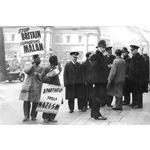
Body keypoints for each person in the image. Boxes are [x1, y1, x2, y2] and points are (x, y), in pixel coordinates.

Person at [20, 54, 43, 122]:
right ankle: (26, 115)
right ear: (33, 60)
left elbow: (42, 76)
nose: (38, 60)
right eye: (36, 59)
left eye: (39, 58)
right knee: (26, 101)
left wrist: (38, 74)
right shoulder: (30, 66)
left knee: (35, 102)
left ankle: (33, 116)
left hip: (37, 86)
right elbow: (26, 71)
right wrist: (32, 66)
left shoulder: (41, 68)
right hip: (28, 86)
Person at [40, 55, 62, 123]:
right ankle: (45, 117)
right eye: (56, 60)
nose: (57, 61)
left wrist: (58, 68)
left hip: (56, 87)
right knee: (47, 103)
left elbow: (58, 72)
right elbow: (42, 78)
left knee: (55, 103)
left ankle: (52, 117)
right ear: (53, 61)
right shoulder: (46, 68)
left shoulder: (56, 68)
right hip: (49, 87)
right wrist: (52, 74)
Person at [89, 40, 108, 120]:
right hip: (98, 81)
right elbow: (94, 68)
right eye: (103, 47)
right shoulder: (97, 55)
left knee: (96, 97)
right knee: (98, 97)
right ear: (99, 47)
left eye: (104, 47)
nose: (104, 49)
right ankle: (97, 114)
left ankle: (93, 113)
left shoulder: (99, 55)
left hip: (98, 80)